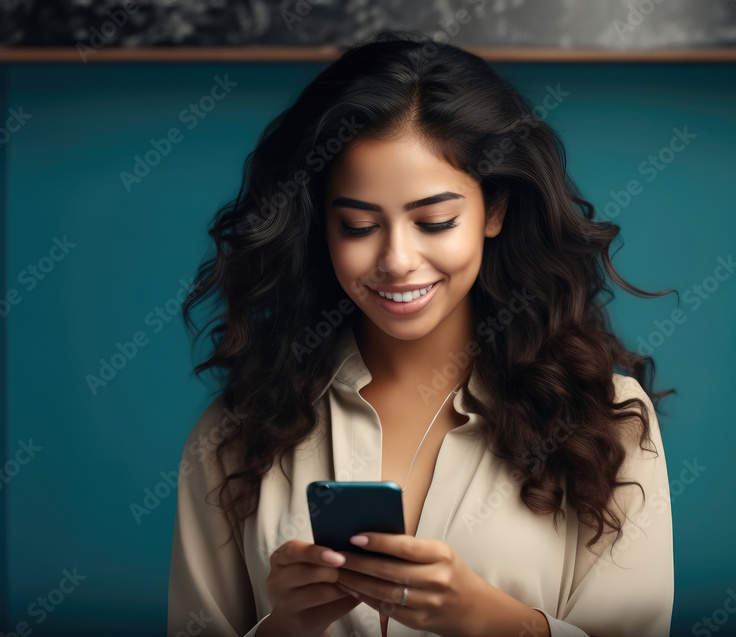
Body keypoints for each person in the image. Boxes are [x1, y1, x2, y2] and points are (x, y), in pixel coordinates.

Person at [168, 30, 676, 637]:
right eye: (358, 226)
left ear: (495, 210)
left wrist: (489, 620)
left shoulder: (607, 419)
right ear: (318, 228)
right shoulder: (234, 434)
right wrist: (286, 626)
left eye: (434, 221)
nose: (397, 260)